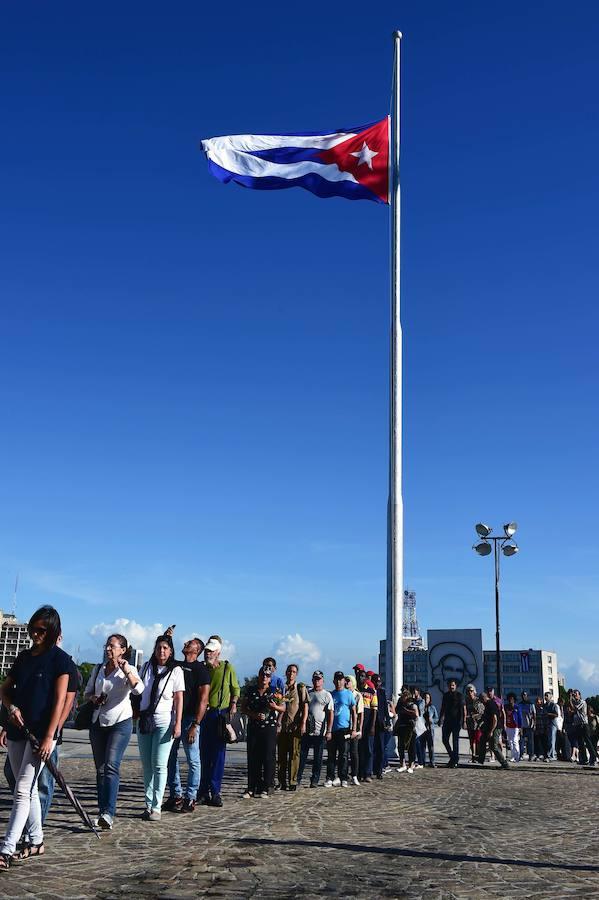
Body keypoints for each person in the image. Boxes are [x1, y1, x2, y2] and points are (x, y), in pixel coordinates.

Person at [0, 605, 71, 868]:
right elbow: (5, 690)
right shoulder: (23, 657)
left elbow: (61, 701)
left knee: (22, 789)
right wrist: (11, 709)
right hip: (17, 729)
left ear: (52, 631)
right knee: (26, 791)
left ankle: (6, 849)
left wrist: (50, 736)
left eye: (42, 630)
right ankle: (37, 840)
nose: (36, 634)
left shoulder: (61, 660)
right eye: (33, 628)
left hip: (41, 734)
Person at [85, 633, 143, 829]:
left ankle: (109, 813)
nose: (108, 649)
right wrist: (95, 699)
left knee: (111, 765)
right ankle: (102, 812)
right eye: (107, 646)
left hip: (120, 723)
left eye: (112, 646)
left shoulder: (129, 669)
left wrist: (126, 671)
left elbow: (138, 689)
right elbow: (87, 693)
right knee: (100, 769)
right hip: (98, 722)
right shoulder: (98, 669)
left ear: (122, 650)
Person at [137, 634, 184, 821]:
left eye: (165, 648)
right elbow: (137, 689)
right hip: (145, 719)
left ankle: (156, 806)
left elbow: (179, 698)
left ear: (171, 651)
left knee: (159, 765)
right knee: (147, 765)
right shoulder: (146, 667)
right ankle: (148, 805)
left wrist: (178, 723)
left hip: (164, 721)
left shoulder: (176, 671)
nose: (161, 651)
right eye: (158, 648)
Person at [164, 638, 210, 813]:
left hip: (190, 719)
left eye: (189, 643)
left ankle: (190, 797)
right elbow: (165, 655)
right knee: (170, 757)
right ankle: (176, 794)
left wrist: (195, 724)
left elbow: (203, 700)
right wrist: (167, 636)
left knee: (193, 759)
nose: (185, 644)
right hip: (174, 717)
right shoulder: (177, 665)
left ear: (196, 650)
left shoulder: (201, 670)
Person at [198, 635, 239, 807]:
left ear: (218, 652)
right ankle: (202, 791)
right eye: (206, 651)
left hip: (219, 714)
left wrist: (233, 704)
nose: (207, 653)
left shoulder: (227, 668)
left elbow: (235, 688)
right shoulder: (201, 668)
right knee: (203, 754)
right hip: (204, 714)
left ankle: (215, 791)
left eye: (211, 651)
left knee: (218, 755)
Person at [242, 668, 286, 798]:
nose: (264, 677)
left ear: (270, 678)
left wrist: (275, 707)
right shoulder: (251, 690)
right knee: (253, 757)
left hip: (269, 727)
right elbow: (244, 708)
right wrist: (253, 715)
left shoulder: (274, 691)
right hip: (254, 727)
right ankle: (252, 787)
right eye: (262, 675)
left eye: (267, 675)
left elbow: (283, 708)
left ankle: (267, 786)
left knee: (268, 757)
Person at [297, 671, 333, 788]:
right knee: (302, 755)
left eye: (319, 679)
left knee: (318, 757)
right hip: (307, 729)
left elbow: (330, 713)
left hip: (320, 730)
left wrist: (329, 730)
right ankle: (297, 778)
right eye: (315, 679)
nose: (317, 681)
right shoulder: (308, 693)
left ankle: (315, 779)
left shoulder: (327, 695)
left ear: (323, 681)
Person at [277, 664, 308, 792]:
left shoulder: (300, 688)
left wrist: (303, 723)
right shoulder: (281, 688)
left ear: (296, 674)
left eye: (294, 671)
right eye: (289, 671)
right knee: (281, 756)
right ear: (286, 672)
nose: (291, 673)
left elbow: (305, 706)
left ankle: (293, 781)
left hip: (295, 726)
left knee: (294, 755)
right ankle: (281, 781)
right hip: (283, 727)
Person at [324, 671, 356, 788]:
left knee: (343, 755)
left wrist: (354, 729)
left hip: (344, 728)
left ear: (344, 681)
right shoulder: (331, 695)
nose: (339, 682)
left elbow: (354, 712)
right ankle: (330, 777)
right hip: (332, 729)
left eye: (341, 679)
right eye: (337, 679)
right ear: (333, 681)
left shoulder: (349, 694)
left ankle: (343, 777)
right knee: (331, 755)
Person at [355, 665, 377, 782]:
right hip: (357, 721)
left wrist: (372, 726)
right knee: (358, 749)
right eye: (359, 676)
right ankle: (358, 772)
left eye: (363, 676)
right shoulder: (354, 690)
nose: (360, 678)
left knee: (368, 749)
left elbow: (374, 709)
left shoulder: (371, 691)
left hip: (368, 721)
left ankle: (367, 773)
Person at [477, 692, 509, 769]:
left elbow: (495, 719)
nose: (481, 703)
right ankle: (480, 759)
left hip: (496, 727)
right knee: (482, 740)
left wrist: (491, 731)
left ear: (484, 698)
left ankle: (504, 763)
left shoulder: (491, 704)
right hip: (488, 727)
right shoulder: (487, 704)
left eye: (481, 701)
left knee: (494, 746)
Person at [569, 689, 597, 767]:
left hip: (583, 724)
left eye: (576, 694)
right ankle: (584, 759)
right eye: (574, 694)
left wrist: (570, 699)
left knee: (588, 742)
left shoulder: (582, 702)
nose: (575, 695)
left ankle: (593, 758)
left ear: (579, 695)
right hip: (577, 725)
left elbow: (575, 708)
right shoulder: (574, 702)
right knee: (580, 743)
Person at [439, 679, 463, 767]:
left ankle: (454, 760)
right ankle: (453, 757)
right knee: (444, 739)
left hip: (456, 721)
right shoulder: (445, 695)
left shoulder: (459, 695)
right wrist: (440, 718)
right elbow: (443, 707)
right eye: (450, 685)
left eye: (453, 685)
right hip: (447, 721)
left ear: (455, 686)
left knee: (455, 741)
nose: (451, 687)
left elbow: (462, 709)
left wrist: (462, 721)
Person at [344, 675, 363, 786]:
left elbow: (360, 713)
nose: (346, 683)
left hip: (354, 727)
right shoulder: (343, 693)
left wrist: (359, 729)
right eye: (345, 681)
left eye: (348, 681)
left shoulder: (357, 695)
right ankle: (344, 775)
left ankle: (354, 775)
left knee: (354, 752)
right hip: (344, 726)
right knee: (344, 752)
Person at [371, 673, 391, 778]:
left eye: (379, 682)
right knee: (372, 748)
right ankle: (371, 769)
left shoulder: (382, 692)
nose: (378, 684)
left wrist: (388, 721)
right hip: (371, 723)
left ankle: (379, 770)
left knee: (381, 748)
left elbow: (385, 708)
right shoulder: (370, 691)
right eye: (376, 681)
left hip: (380, 723)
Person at [395, 689, 418, 773]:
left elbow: (416, 715)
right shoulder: (400, 704)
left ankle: (411, 765)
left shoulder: (412, 704)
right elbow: (396, 711)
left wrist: (406, 711)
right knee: (400, 746)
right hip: (401, 726)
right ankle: (403, 764)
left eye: (403, 696)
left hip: (410, 728)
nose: (401, 698)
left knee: (411, 747)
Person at [517, 691, 536, 761]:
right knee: (521, 741)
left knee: (530, 742)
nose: (524, 696)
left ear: (527, 696)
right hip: (522, 726)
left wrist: (534, 724)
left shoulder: (531, 704)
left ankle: (531, 755)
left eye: (525, 695)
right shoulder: (520, 704)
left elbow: (534, 715)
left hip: (529, 725)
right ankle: (521, 754)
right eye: (523, 695)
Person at [504, 693, 523, 762]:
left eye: (512, 699)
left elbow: (520, 717)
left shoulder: (517, 707)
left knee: (515, 740)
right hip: (508, 726)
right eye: (509, 699)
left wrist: (520, 727)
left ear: (514, 700)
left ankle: (517, 756)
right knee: (510, 742)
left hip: (515, 726)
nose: (510, 700)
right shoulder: (506, 707)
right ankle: (512, 756)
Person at [423, 692, 438, 767]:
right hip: (422, 729)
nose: (426, 699)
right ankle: (422, 761)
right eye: (425, 697)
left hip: (430, 728)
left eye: (428, 698)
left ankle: (432, 761)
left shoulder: (432, 707)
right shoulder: (421, 707)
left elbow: (436, 718)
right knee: (422, 746)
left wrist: (432, 720)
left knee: (431, 746)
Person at [412, 687, 426, 768]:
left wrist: (414, 701)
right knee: (415, 743)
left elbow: (419, 711)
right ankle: (415, 761)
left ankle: (421, 762)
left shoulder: (421, 701)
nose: (414, 693)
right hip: (414, 723)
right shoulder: (413, 701)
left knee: (418, 743)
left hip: (419, 723)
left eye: (415, 692)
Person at [543, 691, 559, 761]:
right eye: (545, 696)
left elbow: (556, 714)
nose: (545, 697)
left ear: (550, 697)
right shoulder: (544, 705)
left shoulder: (553, 705)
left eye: (547, 696)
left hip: (552, 724)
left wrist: (548, 714)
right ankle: (551, 754)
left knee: (552, 740)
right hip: (547, 724)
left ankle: (551, 755)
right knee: (549, 740)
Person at [533, 696, 547, 761]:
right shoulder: (534, 710)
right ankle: (537, 755)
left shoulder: (543, 709)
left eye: (539, 702)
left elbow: (545, 719)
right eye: (537, 702)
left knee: (544, 743)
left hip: (543, 728)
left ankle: (545, 756)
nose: (538, 703)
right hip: (537, 728)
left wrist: (546, 728)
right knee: (537, 743)